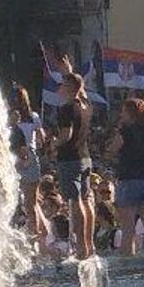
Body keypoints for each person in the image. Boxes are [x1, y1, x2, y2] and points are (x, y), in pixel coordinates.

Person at [108, 96, 144, 255]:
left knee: (128, 229)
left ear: (130, 113)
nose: (121, 115)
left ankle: (128, 263)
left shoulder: (125, 131)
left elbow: (112, 150)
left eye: (124, 112)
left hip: (128, 180)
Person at [52, 71, 94, 260]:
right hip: (85, 157)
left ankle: (81, 248)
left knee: (75, 202)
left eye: (63, 83)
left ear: (69, 87)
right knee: (86, 199)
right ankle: (89, 245)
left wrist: (53, 144)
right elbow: (81, 89)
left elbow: (66, 135)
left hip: (70, 158)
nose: (59, 87)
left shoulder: (67, 108)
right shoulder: (85, 105)